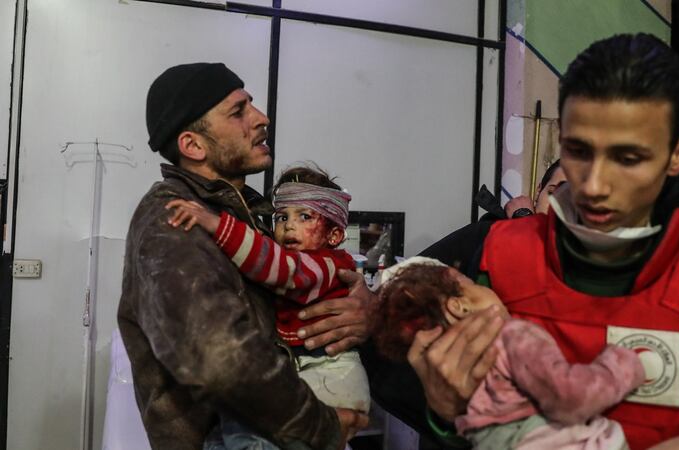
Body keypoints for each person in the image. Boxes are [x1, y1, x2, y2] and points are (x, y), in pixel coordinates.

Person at [406, 33, 679, 450]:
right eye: (578, 151)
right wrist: (446, 415)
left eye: (628, 158)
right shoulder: (497, 256)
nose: (593, 185)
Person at [118, 63, 368, 450]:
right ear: (193, 146)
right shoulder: (173, 218)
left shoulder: (249, 214)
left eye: (251, 104)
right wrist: (320, 426)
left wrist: (360, 307)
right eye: (238, 111)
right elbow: (218, 358)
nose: (261, 118)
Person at [165, 165, 371, 449]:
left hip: (332, 377)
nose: (289, 226)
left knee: (250, 429)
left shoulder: (327, 265)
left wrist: (215, 224)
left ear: (334, 236)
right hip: (310, 372)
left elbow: (279, 267)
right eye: (282, 217)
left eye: (305, 217)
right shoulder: (308, 259)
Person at [371, 257, 645, 449]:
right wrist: (622, 363)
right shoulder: (513, 336)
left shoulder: (459, 377)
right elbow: (569, 396)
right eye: (472, 282)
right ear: (459, 305)